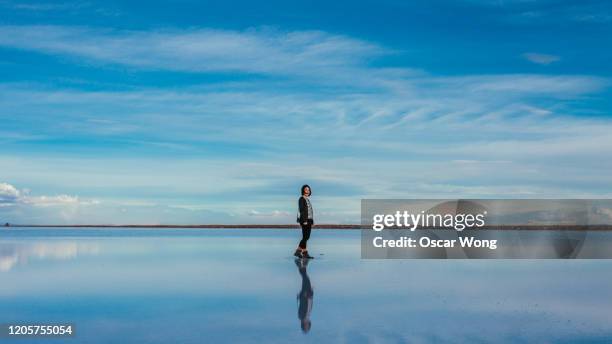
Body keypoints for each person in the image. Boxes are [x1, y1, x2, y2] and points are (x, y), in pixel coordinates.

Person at [295, 184, 314, 259]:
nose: (308, 191)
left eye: (308, 190)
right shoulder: (301, 199)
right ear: (303, 190)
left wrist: (312, 221)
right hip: (304, 220)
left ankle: (302, 252)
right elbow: (302, 210)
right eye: (306, 189)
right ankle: (300, 251)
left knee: (306, 237)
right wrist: (304, 220)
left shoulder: (307, 199)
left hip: (309, 220)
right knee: (305, 237)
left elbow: (310, 211)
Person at [295, 258, 313, 333]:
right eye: (308, 326)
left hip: (306, 295)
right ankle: (302, 263)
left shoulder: (302, 317)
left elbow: (302, 305)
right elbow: (309, 306)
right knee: (305, 278)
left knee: (305, 278)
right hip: (307, 295)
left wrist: (302, 296)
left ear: (303, 325)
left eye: (306, 326)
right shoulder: (305, 317)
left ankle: (300, 263)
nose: (307, 325)